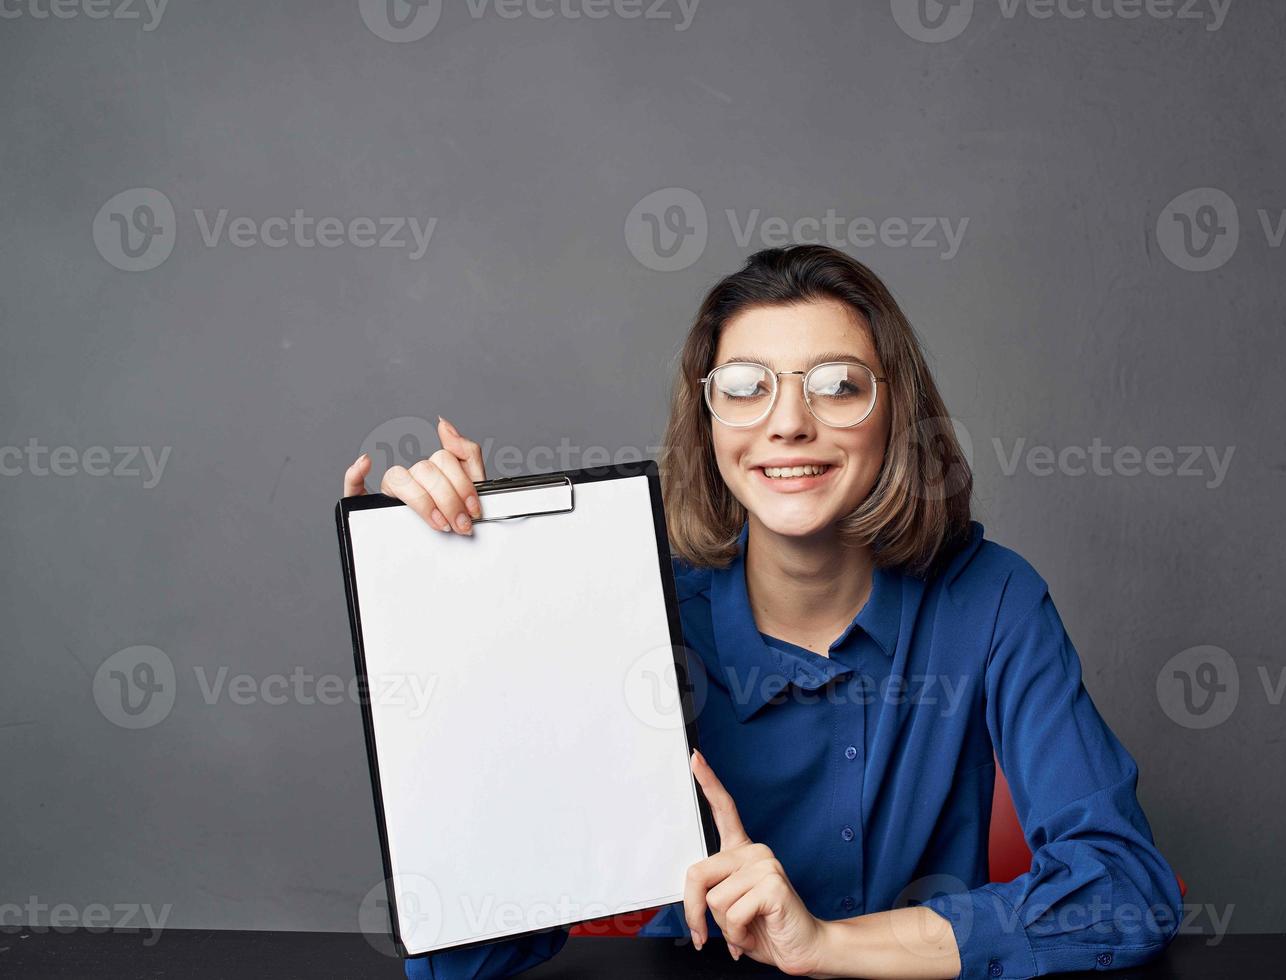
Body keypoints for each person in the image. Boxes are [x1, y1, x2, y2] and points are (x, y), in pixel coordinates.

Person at [341, 245, 1182, 979]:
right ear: (707, 423)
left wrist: (826, 944)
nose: (788, 423)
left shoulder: (991, 599)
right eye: (744, 388)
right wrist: (445, 610)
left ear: (896, 414)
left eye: (838, 386)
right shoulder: (636, 614)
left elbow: (1124, 892)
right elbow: (462, 955)